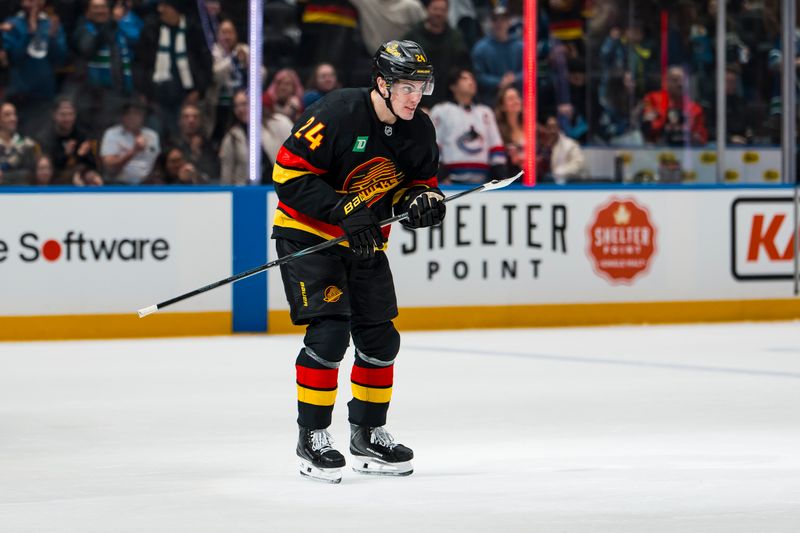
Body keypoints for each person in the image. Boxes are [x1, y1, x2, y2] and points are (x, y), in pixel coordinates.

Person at [271, 39, 445, 483]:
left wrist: (423, 202)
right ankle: (312, 437)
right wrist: (340, 208)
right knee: (329, 335)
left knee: (381, 341)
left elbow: (418, 186)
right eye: (406, 86)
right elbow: (287, 175)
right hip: (307, 235)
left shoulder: (419, 130)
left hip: (366, 242)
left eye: (421, 86)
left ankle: (367, 434)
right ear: (383, 84)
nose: (415, 96)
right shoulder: (337, 112)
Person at [430, 67, 507, 184]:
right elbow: (434, 146)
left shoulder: (485, 113)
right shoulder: (441, 111)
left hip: (483, 181)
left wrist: (500, 178)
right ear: (452, 86)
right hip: (450, 181)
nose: (471, 82)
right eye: (464, 78)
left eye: (472, 78)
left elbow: (495, 146)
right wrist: (439, 176)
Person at [99, 100, 160, 184]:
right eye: (129, 113)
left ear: (143, 117)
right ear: (123, 116)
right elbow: (110, 168)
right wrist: (133, 152)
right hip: (119, 184)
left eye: (137, 113)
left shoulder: (152, 135)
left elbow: (157, 163)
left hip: (147, 185)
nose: (132, 117)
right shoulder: (112, 134)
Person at [0, 101, 40, 185]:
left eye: (14, 114)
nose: (13, 118)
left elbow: (31, 175)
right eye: (7, 115)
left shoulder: (28, 145)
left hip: (23, 194)